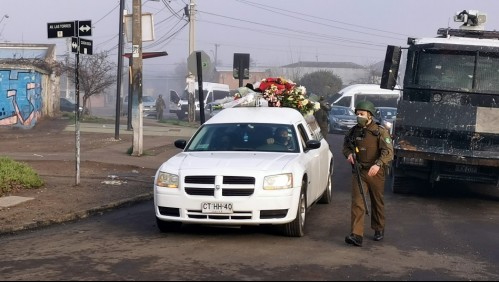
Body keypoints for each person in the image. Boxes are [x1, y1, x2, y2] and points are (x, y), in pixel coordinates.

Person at [342, 100, 394, 247]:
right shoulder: (353, 131)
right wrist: (349, 154)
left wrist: (378, 164)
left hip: (375, 172)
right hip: (359, 171)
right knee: (357, 203)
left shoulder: (380, 131)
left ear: (370, 115)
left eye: (362, 114)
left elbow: (388, 152)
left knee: (377, 201)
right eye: (357, 114)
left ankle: (378, 228)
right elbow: (345, 147)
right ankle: (356, 235)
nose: (359, 116)